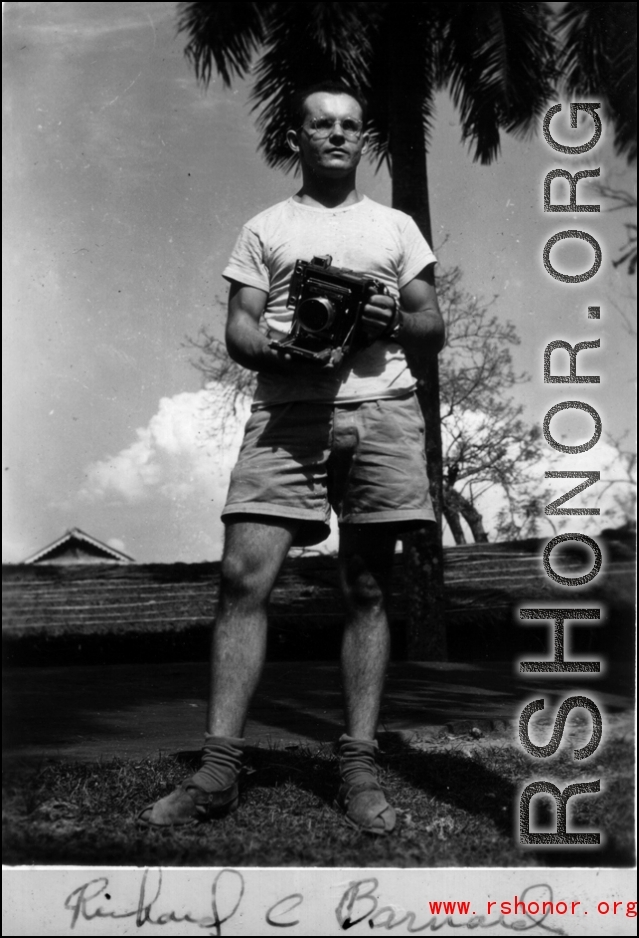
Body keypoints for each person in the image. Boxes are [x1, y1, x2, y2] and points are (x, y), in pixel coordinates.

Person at [139, 81, 445, 835]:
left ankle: (359, 768)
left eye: (349, 126)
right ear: (298, 138)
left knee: (369, 587)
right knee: (243, 576)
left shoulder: (396, 227)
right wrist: (277, 344)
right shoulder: (265, 228)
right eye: (321, 125)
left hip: (382, 411)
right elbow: (238, 330)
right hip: (286, 412)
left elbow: (431, 328)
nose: (337, 136)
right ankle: (216, 770)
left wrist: (389, 314)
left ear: (361, 138)